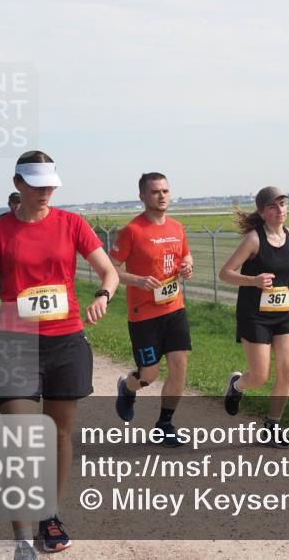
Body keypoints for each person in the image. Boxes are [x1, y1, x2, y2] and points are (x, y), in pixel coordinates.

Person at [0, 151, 119, 559]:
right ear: (18, 184)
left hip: (66, 342)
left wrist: (103, 295)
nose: (46, 191)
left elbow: (109, 271)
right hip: (16, 344)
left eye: (51, 185)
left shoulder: (72, 224)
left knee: (60, 435)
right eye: (37, 184)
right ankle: (23, 537)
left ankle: (50, 514)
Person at [219, 186, 289, 448]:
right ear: (262, 212)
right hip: (254, 315)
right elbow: (225, 273)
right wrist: (252, 280)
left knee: (287, 370)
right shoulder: (253, 239)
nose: (280, 210)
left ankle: (272, 426)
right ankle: (237, 386)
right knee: (260, 377)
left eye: (283, 204)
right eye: (273, 206)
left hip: (284, 312)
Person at [110, 172, 194, 445]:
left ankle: (164, 424)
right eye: (156, 191)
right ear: (142, 196)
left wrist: (188, 265)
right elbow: (109, 268)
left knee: (179, 367)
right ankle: (128, 387)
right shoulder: (132, 231)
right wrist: (138, 280)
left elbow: (185, 255)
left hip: (174, 308)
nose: (162, 196)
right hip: (144, 314)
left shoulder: (177, 228)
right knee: (149, 374)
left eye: (165, 191)